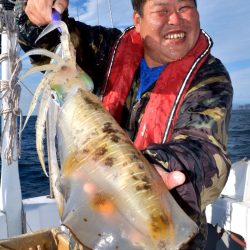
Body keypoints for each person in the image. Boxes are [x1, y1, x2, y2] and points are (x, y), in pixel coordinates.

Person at [17, 0, 233, 249]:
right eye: (162, 10)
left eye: (185, 8)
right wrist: (37, 16)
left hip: (166, 230)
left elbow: (203, 147)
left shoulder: (210, 78)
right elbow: (55, 42)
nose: (175, 19)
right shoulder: (108, 49)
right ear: (138, 21)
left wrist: (151, 175)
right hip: (94, 214)